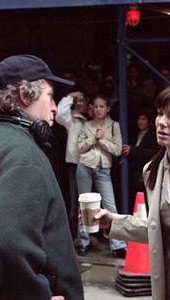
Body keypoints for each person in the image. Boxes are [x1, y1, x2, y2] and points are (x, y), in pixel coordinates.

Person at [0, 55, 84, 300]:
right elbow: (5, 241)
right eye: (50, 96)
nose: (54, 107)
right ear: (25, 95)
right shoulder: (23, 155)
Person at [96, 83, 170, 299]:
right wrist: (113, 222)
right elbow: (159, 230)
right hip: (165, 283)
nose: (161, 123)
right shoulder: (152, 171)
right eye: (160, 114)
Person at [76, 95, 127, 257]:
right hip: (85, 166)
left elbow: (117, 150)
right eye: (96, 106)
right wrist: (93, 138)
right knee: (83, 206)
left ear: (108, 108)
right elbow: (80, 148)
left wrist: (101, 140)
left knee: (110, 206)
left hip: (103, 169)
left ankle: (118, 244)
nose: (98, 109)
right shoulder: (87, 125)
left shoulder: (114, 125)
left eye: (101, 106)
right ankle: (83, 242)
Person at [55, 90, 90, 240]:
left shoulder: (94, 118)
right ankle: (77, 236)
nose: (80, 104)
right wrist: (70, 96)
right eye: (78, 101)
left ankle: (95, 236)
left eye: (83, 100)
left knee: (95, 202)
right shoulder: (73, 119)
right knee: (78, 201)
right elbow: (59, 114)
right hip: (76, 163)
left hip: (97, 164)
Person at [121, 110, 159, 212]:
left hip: (145, 170)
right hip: (134, 170)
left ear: (149, 122)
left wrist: (132, 150)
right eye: (139, 119)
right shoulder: (134, 133)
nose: (140, 122)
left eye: (143, 119)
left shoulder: (153, 135)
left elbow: (152, 152)